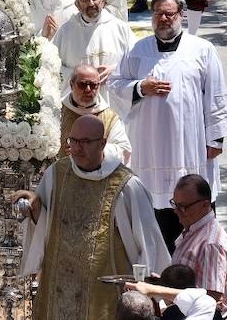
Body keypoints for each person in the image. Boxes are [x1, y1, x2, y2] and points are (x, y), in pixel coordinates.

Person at [110, 0, 227, 251]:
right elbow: (114, 86)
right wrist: (140, 87)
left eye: (170, 14)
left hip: (190, 146)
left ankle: (200, 257)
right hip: (151, 147)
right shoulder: (136, 50)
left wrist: (215, 140)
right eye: (158, 13)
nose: (164, 19)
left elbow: (216, 94)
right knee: (155, 216)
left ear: (181, 15)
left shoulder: (202, 49)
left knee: (193, 205)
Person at [14, 114, 169, 320]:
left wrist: (142, 290)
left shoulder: (126, 185)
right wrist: (35, 207)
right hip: (58, 286)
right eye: (74, 140)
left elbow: (149, 244)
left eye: (86, 142)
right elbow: (44, 226)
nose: (77, 148)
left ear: (102, 143)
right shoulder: (56, 174)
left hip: (103, 294)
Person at [164, 176, 227, 317]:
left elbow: (211, 299)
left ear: (205, 204)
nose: (176, 211)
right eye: (175, 204)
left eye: (183, 207)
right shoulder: (193, 230)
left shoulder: (211, 245)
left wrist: (161, 292)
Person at [52, 0, 136, 92]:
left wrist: (115, 70)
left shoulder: (120, 28)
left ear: (103, 1)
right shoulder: (65, 31)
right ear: (77, 4)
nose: (91, 3)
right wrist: (79, 77)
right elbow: (53, 67)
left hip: (112, 96)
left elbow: (136, 60)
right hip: (79, 98)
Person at [60, 64, 132, 164]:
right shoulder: (58, 110)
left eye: (93, 85)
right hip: (62, 171)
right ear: (71, 85)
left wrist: (93, 150)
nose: (88, 89)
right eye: (82, 84)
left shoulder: (110, 118)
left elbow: (124, 150)